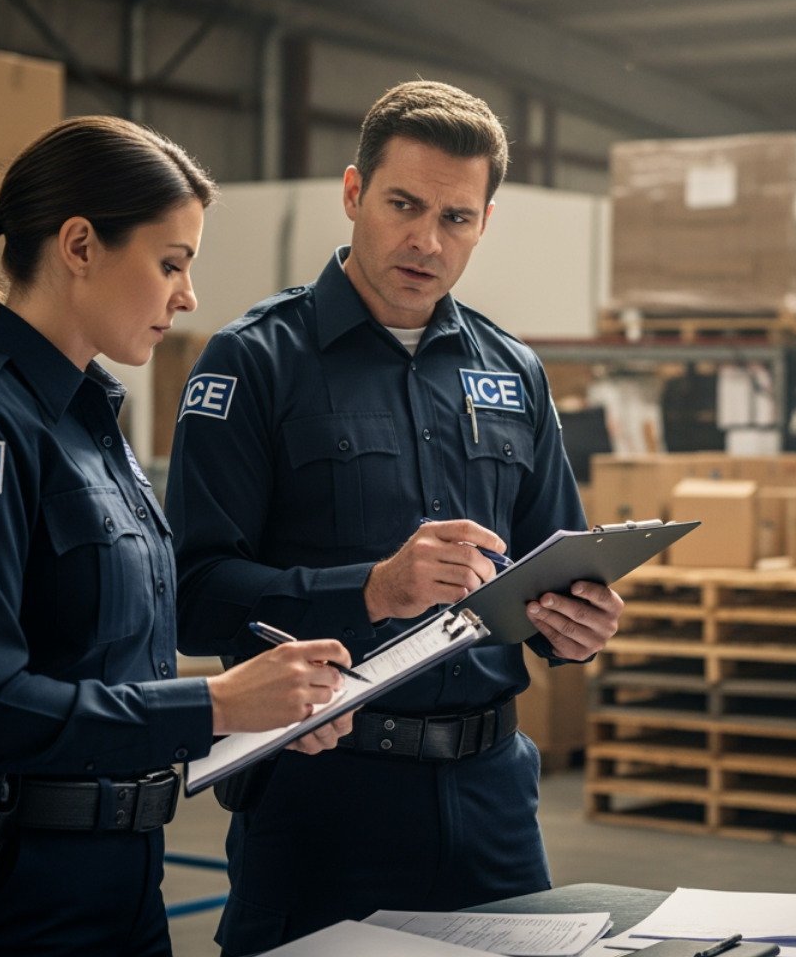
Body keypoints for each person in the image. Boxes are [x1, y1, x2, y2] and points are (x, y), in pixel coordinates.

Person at [0, 115, 357, 957]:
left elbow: (105, 666)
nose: (188, 294)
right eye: (171, 263)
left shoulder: (88, 425)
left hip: (122, 888)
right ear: (80, 246)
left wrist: (260, 707)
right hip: (8, 904)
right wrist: (211, 705)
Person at [167, 80, 624, 952]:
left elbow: (555, 559)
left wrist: (577, 623)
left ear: (484, 222)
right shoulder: (254, 362)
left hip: (493, 802)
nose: (426, 240)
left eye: (456, 217)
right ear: (353, 193)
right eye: (403, 205)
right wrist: (370, 590)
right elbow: (193, 596)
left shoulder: (513, 372)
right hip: (323, 799)